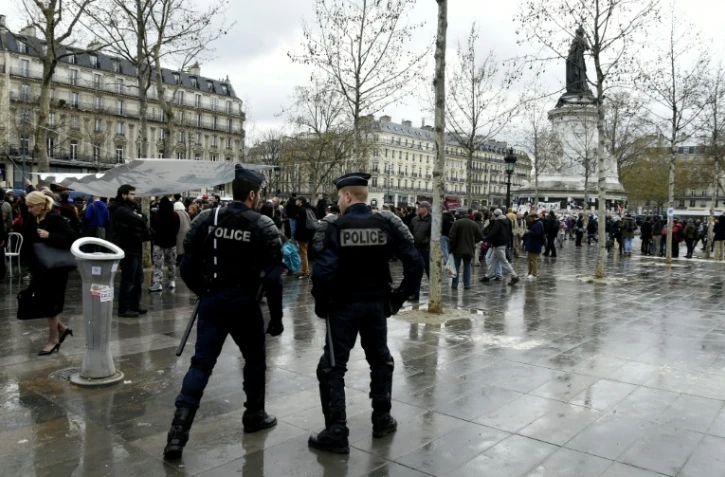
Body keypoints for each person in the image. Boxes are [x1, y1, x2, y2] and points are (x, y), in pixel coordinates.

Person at [164, 166, 284, 460]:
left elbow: (187, 264)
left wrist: (202, 289)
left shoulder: (207, 218)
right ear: (253, 194)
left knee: (201, 365)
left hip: (213, 301)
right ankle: (254, 414)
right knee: (255, 360)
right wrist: (277, 318)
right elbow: (273, 278)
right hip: (245, 304)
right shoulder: (263, 225)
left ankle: (177, 435)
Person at [308, 172, 423, 454]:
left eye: (339, 197)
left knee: (332, 366)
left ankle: (336, 430)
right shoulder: (385, 224)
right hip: (375, 304)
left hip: (343, 306)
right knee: (380, 360)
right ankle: (381, 418)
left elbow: (322, 272)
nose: (338, 202)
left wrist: (321, 303)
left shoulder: (336, 226)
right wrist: (398, 296)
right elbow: (415, 263)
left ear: (347, 195)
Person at [20, 192, 77, 355]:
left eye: (31, 206)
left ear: (42, 205)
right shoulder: (35, 218)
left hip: (55, 269)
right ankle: (63, 329)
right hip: (40, 267)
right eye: (28, 207)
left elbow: (72, 237)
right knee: (41, 302)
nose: (29, 210)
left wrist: (50, 236)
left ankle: (53, 340)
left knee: (51, 304)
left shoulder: (54, 218)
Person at [109, 185, 152, 318]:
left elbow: (143, 218)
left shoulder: (130, 207)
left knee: (138, 277)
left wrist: (139, 217)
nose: (134, 196)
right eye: (131, 194)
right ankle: (124, 308)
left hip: (135, 245)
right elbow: (138, 219)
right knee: (129, 278)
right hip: (126, 246)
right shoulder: (118, 208)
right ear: (124, 195)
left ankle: (134, 305)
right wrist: (138, 217)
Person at [148, 197, 180, 292]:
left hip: (159, 242)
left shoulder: (157, 215)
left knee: (158, 263)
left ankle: (158, 282)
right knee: (171, 263)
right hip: (171, 242)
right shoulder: (175, 215)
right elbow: (177, 228)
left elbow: (153, 227)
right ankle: (172, 281)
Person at [480, 209, 519, 285]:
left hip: (498, 244)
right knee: (492, 260)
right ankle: (487, 276)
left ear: (495, 215)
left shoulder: (497, 222)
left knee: (504, 261)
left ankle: (514, 276)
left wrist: (484, 239)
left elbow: (493, 233)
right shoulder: (505, 220)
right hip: (501, 243)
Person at [449, 208, 482, 290]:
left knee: (456, 267)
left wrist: (451, 248)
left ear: (460, 214)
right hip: (469, 249)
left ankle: (454, 285)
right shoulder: (473, 224)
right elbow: (480, 236)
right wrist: (473, 241)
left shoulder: (456, 223)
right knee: (467, 267)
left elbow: (452, 236)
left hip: (457, 249)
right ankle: (467, 285)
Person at [409, 202, 432, 300]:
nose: (419, 208)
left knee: (429, 271)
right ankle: (415, 293)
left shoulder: (431, 220)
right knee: (416, 272)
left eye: (421, 207)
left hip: (426, 250)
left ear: (426, 209)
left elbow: (433, 236)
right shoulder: (414, 219)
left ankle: (434, 291)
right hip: (415, 249)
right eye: (418, 206)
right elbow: (409, 232)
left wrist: (428, 247)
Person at [293, 197, 315, 278]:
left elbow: (299, 225)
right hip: (308, 233)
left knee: (303, 253)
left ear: (300, 201)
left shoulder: (301, 210)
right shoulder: (308, 209)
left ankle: (305, 271)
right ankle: (306, 270)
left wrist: (295, 236)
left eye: (297, 200)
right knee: (304, 252)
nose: (296, 201)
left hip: (302, 234)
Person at [174, 201, 191, 265]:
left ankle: (179, 261)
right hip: (186, 231)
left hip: (179, 232)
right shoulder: (185, 213)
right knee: (183, 247)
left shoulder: (177, 213)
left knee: (179, 247)